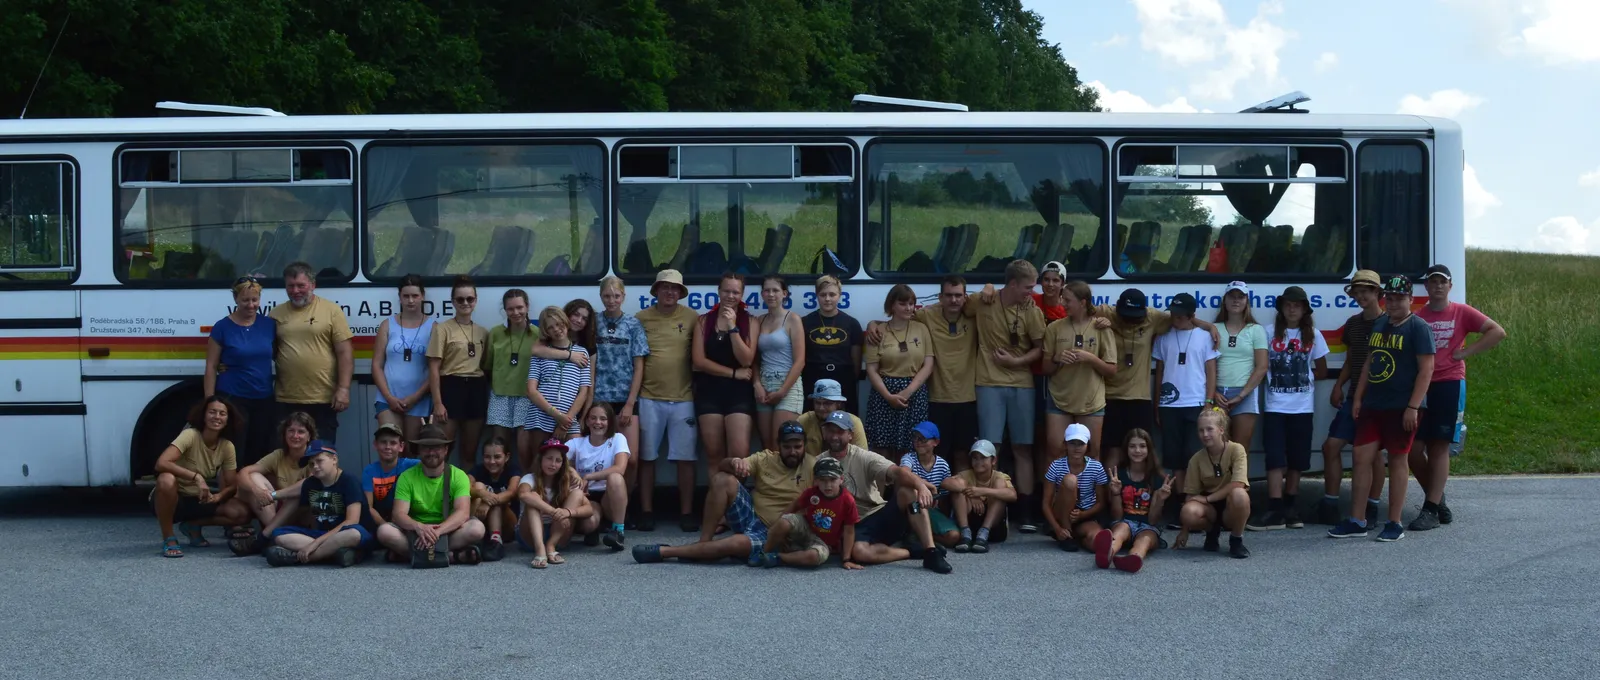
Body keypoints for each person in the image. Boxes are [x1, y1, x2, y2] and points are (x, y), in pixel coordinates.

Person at [1329, 275, 1437, 543]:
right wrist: (1358, 397)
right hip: (1372, 404)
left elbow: (1426, 370)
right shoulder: (1379, 323)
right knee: (1360, 457)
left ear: (1410, 299)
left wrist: (1413, 407)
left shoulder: (1418, 328)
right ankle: (1357, 520)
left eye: (1399, 298)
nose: (1393, 303)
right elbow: (1369, 362)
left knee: (1397, 459)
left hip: (1401, 406)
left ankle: (1394, 522)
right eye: (1390, 298)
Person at [631, 421, 815, 566]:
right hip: (751, 516)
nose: (792, 452)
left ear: (804, 445)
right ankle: (704, 542)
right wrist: (734, 462)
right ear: (778, 445)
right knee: (722, 479)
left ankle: (666, 552)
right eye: (787, 447)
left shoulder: (813, 466)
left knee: (735, 543)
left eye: (797, 446)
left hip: (776, 532)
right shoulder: (765, 458)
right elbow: (722, 466)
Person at [1408, 264, 1505, 531]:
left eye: (1442, 282)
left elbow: (1497, 331)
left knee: (1438, 446)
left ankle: (1430, 510)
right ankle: (1437, 500)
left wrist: (1465, 352)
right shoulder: (1418, 317)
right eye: (1433, 282)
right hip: (1422, 385)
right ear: (1426, 286)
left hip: (1450, 383)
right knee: (1413, 450)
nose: (1438, 286)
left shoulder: (1461, 312)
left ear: (1450, 286)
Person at [1093, 289, 1218, 471]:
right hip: (1110, 395)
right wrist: (1098, 321)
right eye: (1126, 315)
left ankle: (1145, 489)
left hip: (1140, 397)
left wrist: (1209, 326)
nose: (1130, 320)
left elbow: (1182, 319)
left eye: (1135, 317)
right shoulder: (1106, 312)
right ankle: (1111, 489)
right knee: (1114, 451)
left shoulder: (1153, 318)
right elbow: (1081, 311)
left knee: (1144, 451)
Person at [966, 259, 1047, 532]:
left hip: (1022, 384)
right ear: (1012, 284)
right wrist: (987, 286)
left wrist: (1016, 361)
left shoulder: (1031, 309)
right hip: (988, 382)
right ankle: (990, 509)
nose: (1032, 292)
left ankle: (1026, 512)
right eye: (1028, 287)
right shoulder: (984, 301)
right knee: (991, 448)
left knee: (1023, 448)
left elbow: (1040, 348)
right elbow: (954, 307)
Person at [819, 412, 952, 574]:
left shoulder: (864, 457)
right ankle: (913, 551)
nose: (834, 437)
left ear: (850, 435)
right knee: (859, 552)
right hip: (851, 525)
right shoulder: (817, 462)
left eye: (840, 432)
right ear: (824, 433)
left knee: (908, 491)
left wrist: (921, 486)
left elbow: (897, 472)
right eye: (831, 431)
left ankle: (931, 551)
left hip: (876, 513)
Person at [1247, 286, 1329, 531]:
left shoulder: (1314, 335)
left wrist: (1303, 379)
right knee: (1274, 458)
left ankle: (1291, 507)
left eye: (1297, 305)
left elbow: (1322, 369)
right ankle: (1275, 508)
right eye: (1288, 305)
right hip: (1275, 406)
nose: (1292, 309)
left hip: (1302, 407)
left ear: (1304, 310)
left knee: (1297, 459)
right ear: (1281, 308)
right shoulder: (1267, 333)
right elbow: (1259, 365)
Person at [1316, 270, 1390, 527]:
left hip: (1378, 399)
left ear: (1377, 293)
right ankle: (1330, 503)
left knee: (1374, 454)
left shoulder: (1389, 324)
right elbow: (1351, 359)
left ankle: (1372, 505)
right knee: (1330, 446)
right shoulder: (1353, 324)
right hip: (1353, 396)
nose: (1360, 297)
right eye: (1356, 293)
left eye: (1366, 292)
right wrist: (1338, 386)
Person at [635, 269, 701, 532]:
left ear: (681, 292)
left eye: (675, 288)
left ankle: (687, 512)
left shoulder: (693, 317)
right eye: (665, 287)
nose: (670, 292)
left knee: (686, 459)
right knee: (647, 457)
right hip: (648, 397)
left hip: (684, 399)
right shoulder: (641, 318)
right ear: (656, 291)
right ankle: (646, 511)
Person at [692, 272, 758, 530]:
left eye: (736, 292)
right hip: (709, 392)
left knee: (739, 454)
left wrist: (732, 327)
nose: (731, 296)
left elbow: (747, 359)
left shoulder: (749, 321)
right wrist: (732, 373)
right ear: (718, 292)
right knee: (714, 455)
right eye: (727, 291)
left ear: (742, 295)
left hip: (738, 395)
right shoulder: (703, 321)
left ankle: (736, 510)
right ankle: (718, 513)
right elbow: (699, 362)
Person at [149, 397, 251, 557]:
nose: (217, 417)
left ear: (227, 420)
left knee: (241, 513)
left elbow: (232, 484)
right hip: (174, 498)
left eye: (222, 413)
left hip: (199, 498)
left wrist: (219, 496)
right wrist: (196, 477)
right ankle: (168, 537)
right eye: (212, 412)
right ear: (203, 415)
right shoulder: (190, 434)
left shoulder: (227, 446)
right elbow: (161, 463)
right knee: (166, 479)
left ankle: (192, 525)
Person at [374, 424, 487, 565]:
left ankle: (412, 556)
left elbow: (462, 513)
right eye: (426, 447)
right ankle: (452, 556)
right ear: (419, 450)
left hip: (447, 531)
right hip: (415, 533)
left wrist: (437, 532)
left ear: (446, 450)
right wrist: (419, 527)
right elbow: (398, 514)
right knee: (384, 531)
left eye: (436, 447)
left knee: (477, 529)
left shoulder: (459, 475)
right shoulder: (406, 477)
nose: (431, 452)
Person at [1152, 292, 1219, 523]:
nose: (1176, 319)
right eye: (1173, 315)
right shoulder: (1163, 337)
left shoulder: (1204, 337)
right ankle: (1180, 501)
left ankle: (1194, 499)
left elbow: (1211, 370)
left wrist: (1209, 401)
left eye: (1181, 316)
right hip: (1170, 404)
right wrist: (1157, 404)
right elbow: (1159, 372)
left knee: (1193, 454)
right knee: (1174, 456)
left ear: (1191, 315)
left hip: (1196, 402)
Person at [270, 261, 353, 445]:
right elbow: (267, 350)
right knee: (288, 454)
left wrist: (343, 389)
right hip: (286, 399)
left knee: (322, 454)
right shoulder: (276, 314)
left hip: (323, 398)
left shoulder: (331, 311)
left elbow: (345, 352)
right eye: (290, 286)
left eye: (301, 285)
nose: (295, 290)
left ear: (313, 285)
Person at [593, 276, 650, 528]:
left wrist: (630, 402)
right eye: (607, 296)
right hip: (599, 400)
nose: (612, 300)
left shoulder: (633, 324)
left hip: (625, 399)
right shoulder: (594, 323)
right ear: (601, 297)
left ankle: (623, 508)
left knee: (631, 458)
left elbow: (639, 366)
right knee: (604, 457)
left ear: (623, 297)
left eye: (616, 296)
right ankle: (607, 509)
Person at [261, 441, 372, 568]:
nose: (315, 466)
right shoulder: (310, 484)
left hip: (347, 532)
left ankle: (297, 558)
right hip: (322, 534)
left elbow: (351, 521)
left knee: (353, 534)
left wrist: (315, 544)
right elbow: (311, 518)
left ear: (334, 459)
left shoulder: (349, 481)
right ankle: (334, 554)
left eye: (319, 461)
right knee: (279, 535)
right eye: (311, 464)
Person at [1042, 280, 1118, 463]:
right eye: (1063, 299)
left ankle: (1089, 484)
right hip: (1059, 399)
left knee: (1092, 453)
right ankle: (1057, 483)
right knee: (1055, 452)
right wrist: (1057, 358)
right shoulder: (1054, 328)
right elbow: (1045, 369)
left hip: (1091, 401)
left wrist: (1090, 358)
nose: (1063, 303)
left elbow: (1111, 370)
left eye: (1068, 300)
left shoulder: (1101, 328)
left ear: (1083, 302)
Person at [204, 276, 278, 465]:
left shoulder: (269, 325)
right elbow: (211, 366)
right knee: (234, 452)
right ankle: (232, 484)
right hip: (233, 398)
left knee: (260, 451)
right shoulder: (222, 327)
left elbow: (278, 354)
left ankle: (253, 485)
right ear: (235, 299)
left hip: (264, 398)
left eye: (255, 300)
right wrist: (210, 400)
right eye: (245, 300)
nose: (251, 305)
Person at [864, 284, 935, 456]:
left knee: (911, 446)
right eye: (903, 304)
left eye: (911, 304)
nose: (908, 308)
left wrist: (907, 392)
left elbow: (928, 364)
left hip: (914, 394)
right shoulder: (877, 331)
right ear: (892, 305)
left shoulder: (921, 328)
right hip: (884, 394)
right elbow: (871, 369)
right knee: (881, 447)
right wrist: (888, 396)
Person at [428, 274, 490, 467]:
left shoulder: (483, 332)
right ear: (453, 302)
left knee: (469, 453)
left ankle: (465, 487)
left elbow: (485, 365)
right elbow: (434, 368)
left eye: (470, 299)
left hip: (476, 389)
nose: (465, 303)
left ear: (476, 301)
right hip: (451, 388)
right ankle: (439, 486)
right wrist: (438, 403)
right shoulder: (442, 329)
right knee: (441, 451)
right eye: (460, 299)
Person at [234, 412, 319, 552]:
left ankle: (265, 537)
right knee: (254, 477)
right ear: (284, 434)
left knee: (298, 492)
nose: (295, 436)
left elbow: (309, 483)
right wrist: (256, 491)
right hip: (277, 512)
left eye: (301, 432)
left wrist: (274, 495)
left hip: (303, 513)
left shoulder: (315, 457)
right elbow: (244, 473)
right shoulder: (279, 455)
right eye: (291, 430)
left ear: (309, 436)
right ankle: (275, 534)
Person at [1175, 409, 1251, 559]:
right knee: (1188, 512)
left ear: (1221, 430)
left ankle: (1236, 539)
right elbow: (1190, 495)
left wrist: (1207, 498)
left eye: (1210, 429)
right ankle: (1212, 532)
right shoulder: (1196, 459)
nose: (1205, 434)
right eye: (1201, 430)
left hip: (1230, 503)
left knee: (1240, 495)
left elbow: (1238, 483)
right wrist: (1184, 530)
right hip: (1209, 509)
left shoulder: (1236, 450)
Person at [760, 457, 861, 569]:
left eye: (832, 480)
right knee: (783, 522)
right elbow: (795, 505)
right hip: (806, 528)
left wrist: (846, 559)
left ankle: (779, 558)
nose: (828, 485)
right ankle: (763, 553)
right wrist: (778, 527)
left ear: (841, 479)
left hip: (824, 542)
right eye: (822, 480)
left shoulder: (847, 500)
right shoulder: (811, 493)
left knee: (814, 556)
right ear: (816, 480)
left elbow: (849, 531)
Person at [370, 273, 433, 449]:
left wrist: (415, 397)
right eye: (406, 296)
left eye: (415, 296)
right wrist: (389, 397)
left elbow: (435, 370)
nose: (410, 300)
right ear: (400, 297)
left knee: (413, 451)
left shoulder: (434, 327)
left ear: (422, 296)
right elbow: (376, 365)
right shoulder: (387, 324)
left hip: (419, 400)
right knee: (390, 449)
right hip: (388, 399)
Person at [525, 306, 593, 466]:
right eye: (550, 327)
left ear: (565, 321)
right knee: (540, 463)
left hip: (569, 418)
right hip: (541, 416)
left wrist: (565, 421)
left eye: (559, 324)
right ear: (545, 331)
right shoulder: (540, 353)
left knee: (574, 461)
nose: (556, 329)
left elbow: (583, 391)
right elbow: (531, 390)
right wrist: (556, 415)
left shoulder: (582, 353)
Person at [1096, 428, 1170, 573]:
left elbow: (1153, 520)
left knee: (1145, 540)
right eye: (1132, 446)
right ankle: (1107, 553)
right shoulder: (1119, 475)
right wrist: (1115, 493)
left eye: (1142, 446)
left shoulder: (1156, 478)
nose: (1137, 450)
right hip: (1124, 522)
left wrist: (1160, 500)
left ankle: (1134, 558)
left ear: (1149, 449)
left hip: (1148, 526)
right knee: (1120, 530)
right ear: (1126, 449)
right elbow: (1117, 516)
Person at [516, 439, 595, 568]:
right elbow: (523, 494)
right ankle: (540, 549)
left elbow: (589, 509)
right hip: (530, 534)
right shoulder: (530, 478)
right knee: (533, 497)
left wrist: (567, 512)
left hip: (558, 533)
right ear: (540, 459)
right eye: (549, 458)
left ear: (563, 464)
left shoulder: (566, 481)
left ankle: (551, 545)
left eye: (558, 460)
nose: (553, 464)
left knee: (577, 493)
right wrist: (553, 512)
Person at [752, 275, 806, 451]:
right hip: (764, 385)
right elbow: (754, 359)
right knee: (766, 446)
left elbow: (800, 361)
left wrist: (782, 391)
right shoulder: (759, 320)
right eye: (766, 290)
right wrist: (757, 384)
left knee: (781, 444)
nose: (771, 294)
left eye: (775, 290)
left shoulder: (793, 319)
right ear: (762, 294)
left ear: (784, 293)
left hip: (788, 386)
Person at [566, 402, 630, 550]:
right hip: (588, 497)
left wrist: (588, 477)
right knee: (590, 523)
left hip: (609, 496)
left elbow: (620, 468)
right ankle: (594, 528)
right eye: (593, 418)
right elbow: (555, 458)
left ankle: (618, 532)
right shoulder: (577, 443)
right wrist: (572, 471)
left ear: (610, 422)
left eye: (603, 418)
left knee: (615, 477)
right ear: (587, 421)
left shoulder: (617, 438)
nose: (598, 422)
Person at [1213, 281, 1269, 448]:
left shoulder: (1256, 330)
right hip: (1219, 395)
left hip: (1245, 394)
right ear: (1225, 301)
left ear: (1246, 302)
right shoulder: (1214, 328)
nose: (1236, 301)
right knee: (1217, 446)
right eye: (1232, 297)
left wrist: (1241, 396)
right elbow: (1205, 364)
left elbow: (1262, 366)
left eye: (1240, 297)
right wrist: (1213, 392)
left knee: (1240, 448)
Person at [1041, 423, 1110, 553]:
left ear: (1087, 445)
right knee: (1070, 480)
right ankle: (1064, 532)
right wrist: (1057, 528)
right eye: (1072, 443)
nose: (1076, 448)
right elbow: (1046, 503)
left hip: (1085, 514)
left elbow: (1101, 502)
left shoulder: (1096, 467)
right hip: (1061, 512)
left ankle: (1076, 538)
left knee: (1096, 541)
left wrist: (1083, 515)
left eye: (1081, 443)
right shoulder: (1056, 465)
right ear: (1065, 444)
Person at [801, 275, 864, 415]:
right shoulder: (804, 322)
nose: (827, 299)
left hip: (843, 380)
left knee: (843, 421)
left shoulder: (851, 323)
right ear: (816, 295)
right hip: (813, 379)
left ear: (839, 295)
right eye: (823, 294)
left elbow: (856, 362)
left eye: (832, 294)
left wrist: (850, 379)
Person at [944, 439, 1015, 553]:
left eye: (983, 458)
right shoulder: (966, 474)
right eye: (975, 458)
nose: (978, 461)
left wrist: (982, 491)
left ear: (993, 460)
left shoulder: (999, 476)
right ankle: (965, 533)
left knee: (1000, 486)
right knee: (958, 486)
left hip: (993, 528)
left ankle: (984, 533)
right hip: (970, 523)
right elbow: (945, 483)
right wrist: (971, 494)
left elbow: (1012, 495)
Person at [897, 421, 961, 548]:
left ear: (935, 442)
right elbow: (903, 473)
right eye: (915, 437)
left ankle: (920, 536)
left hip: (932, 510)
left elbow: (944, 497)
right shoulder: (909, 458)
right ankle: (918, 536)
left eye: (923, 439)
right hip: (910, 507)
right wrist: (926, 485)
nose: (918, 442)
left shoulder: (942, 465)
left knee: (953, 536)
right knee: (910, 490)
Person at [467, 437, 521, 561]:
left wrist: (488, 502)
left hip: (508, 525)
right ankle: (476, 539)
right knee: (478, 487)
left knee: (499, 502)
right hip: (482, 521)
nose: (492, 462)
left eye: (497, 457)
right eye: (487, 457)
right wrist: (481, 494)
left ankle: (496, 542)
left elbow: (511, 493)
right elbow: (465, 488)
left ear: (506, 457)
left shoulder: (513, 470)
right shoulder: (477, 470)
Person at [361, 423, 419, 536]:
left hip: (407, 521)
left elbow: (434, 466)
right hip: (382, 524)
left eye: (393, 443)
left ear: (401, 446)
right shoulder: (369, 471)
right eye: (383, 442)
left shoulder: (412, 465)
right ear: (375, 445)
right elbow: (369, 507)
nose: (387, 447)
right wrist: (386, 526)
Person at [796, 380, 867, 456]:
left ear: (839, 404)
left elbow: (862, 457)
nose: (821, 408)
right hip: (812, 463)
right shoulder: (804, 420)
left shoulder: (853, 422)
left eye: (827, 403)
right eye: (817, 403)